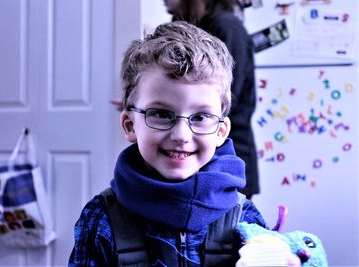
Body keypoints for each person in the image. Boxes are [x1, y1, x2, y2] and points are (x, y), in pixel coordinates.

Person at [69, 21, 299, 266]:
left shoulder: (244, 219)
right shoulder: (100, 218)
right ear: (129, 125)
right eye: (161, 114)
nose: (181, 135)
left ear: (221, 131)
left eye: (200, 117)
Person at [164, 0, 259, 199]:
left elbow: (226, 95)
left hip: (228, 154)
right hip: (196, 152)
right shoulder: (187, 27)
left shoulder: (227, 27)